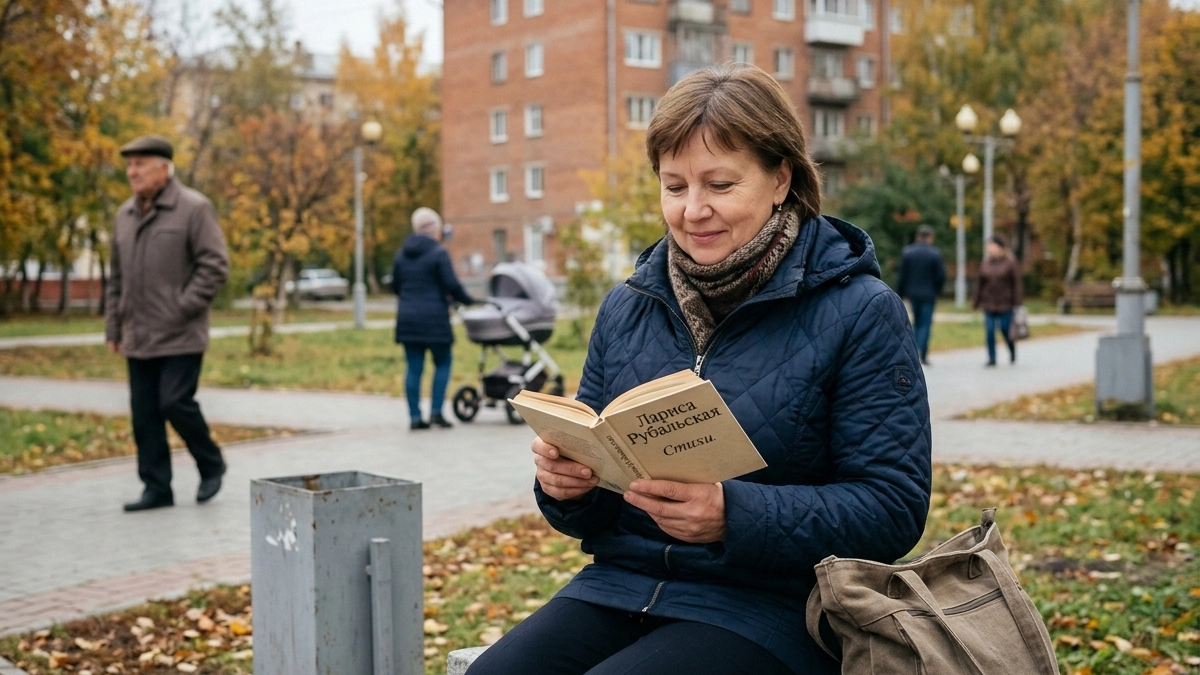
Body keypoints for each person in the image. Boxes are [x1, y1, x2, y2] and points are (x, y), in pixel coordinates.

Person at [467, 64, 931, 675]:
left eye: (719, 184)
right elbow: (595, 496)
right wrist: (567, 488)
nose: (693, 211)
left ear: (779, 178)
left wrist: (730, 516)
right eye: (675, 186)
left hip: (777, 606)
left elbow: (891, 508)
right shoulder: (629, 304)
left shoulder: (861, 311)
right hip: (620, 585)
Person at [105, 135, 230, 513]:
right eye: (129, 165)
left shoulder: (193, 208)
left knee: (175, 402)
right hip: (137, 334)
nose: (132, 171)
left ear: (164, 167)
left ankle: (211, 463)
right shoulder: (124, 217)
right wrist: (113, 326)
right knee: (144, 415)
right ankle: (157, 488)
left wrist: (181, 307)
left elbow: (215, 266)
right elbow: (116, 279)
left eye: (140, 163)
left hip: (181, 334)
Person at [391, 207, 477, 430]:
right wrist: (469, 301)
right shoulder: (438, 253)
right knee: (443, 363)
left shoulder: (401, 254)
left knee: (413, 368)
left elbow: (395, 286)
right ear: (431, 228)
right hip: (435, 319)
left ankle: (415, 417)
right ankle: (437, 412)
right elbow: (451, 285)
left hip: (408, 319)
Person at [896, 224, 947, 366]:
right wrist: (937, 290)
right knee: (925, 324)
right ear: (930, 238)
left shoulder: (907, 252)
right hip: (929, 294)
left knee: (915, 323)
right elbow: (941, 276)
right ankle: (922, 353)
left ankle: (913, 352)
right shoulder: (935, 253)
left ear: (918, 236)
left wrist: (900, 293)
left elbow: (902, 275)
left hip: (912, 293)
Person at [973, 234, 1024, 367]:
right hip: (988, 302)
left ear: (1000, 247)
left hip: (1006, 303)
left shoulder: (1010, 263)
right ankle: (992, 358)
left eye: (992, 245)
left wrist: (1017, 302)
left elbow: (1017, 283)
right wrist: (976, 301)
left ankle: (1011, 347)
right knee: (989, 331)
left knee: (1005, 329)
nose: (989, 248)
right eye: (988, 246)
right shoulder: (985, 263)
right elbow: (980, 283)